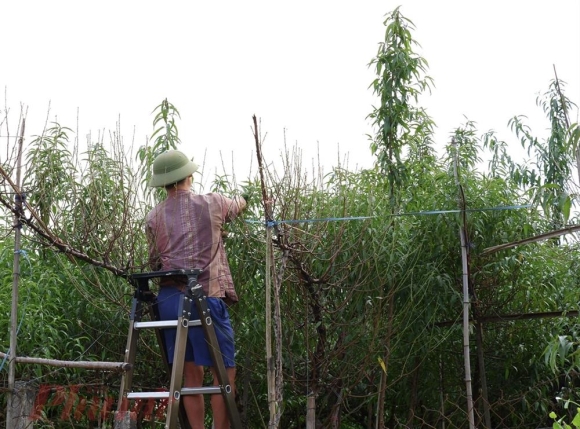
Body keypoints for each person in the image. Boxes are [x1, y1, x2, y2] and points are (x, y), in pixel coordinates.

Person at [145, 149, 246, 429]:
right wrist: (246, 199)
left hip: (169, 301)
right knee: (224, 372)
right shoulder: (212, 203)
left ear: (163, 183)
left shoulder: (154, 217)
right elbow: (237, 205)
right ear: (189, 175)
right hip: (205, 297)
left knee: (190, 375)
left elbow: (155, 261)